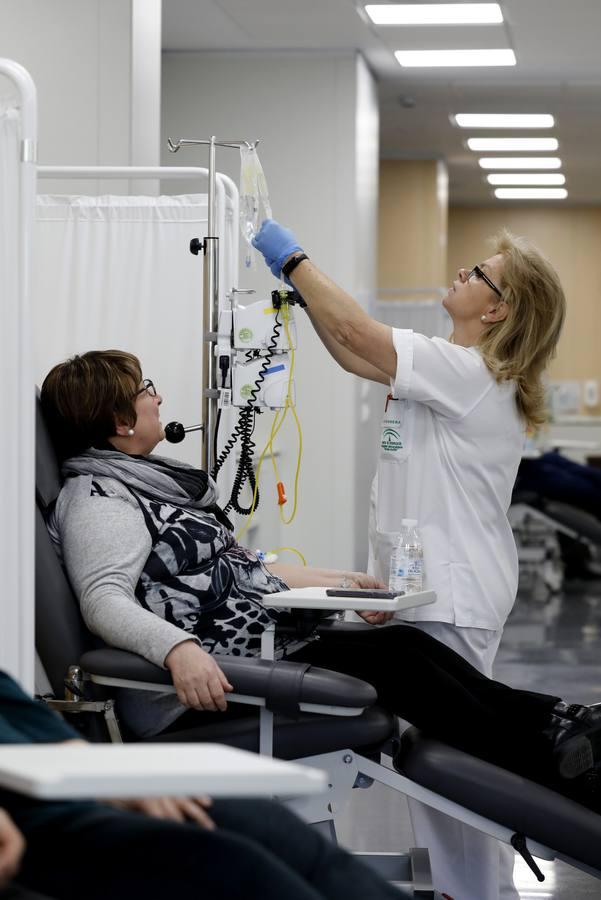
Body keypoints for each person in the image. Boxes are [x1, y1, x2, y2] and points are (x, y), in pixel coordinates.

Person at [38, 350, 601, 803]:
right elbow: (102, 599)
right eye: (144, 390)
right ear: (117, 420)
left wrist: (343, 581)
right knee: (397, 663)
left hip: (258, 649)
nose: (157, 395)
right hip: (207, 685)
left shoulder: (149, 480)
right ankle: (555, 765)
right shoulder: (99, 497)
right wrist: (179, 651)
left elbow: (245, 566)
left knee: (403, 642)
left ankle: (558, 721)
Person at [251, 220, 567, 899]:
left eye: (476, 275)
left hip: (452, 595)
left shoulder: (472, 375)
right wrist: (303, 296)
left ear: (497, 309)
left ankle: (480, 893)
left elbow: (360, 334)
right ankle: (465, 890)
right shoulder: (446, 368)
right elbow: (353, 353)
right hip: (429, 591)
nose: (461, 274)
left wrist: (293, 259)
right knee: (433, 774)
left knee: (454, 777)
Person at [0, 668, 408, 900]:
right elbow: (105, 597)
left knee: (268, 825)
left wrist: (101, 773)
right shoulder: (104, 512)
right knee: (231, 865)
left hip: (56, 780)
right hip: (27, 817)